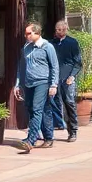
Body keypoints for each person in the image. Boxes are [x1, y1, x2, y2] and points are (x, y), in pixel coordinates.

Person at [12, 23, 58, 153]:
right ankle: (48, 138)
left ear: (36, 33)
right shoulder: (26, 48)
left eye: (28, 33)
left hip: (43, 82)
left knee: (37, 109)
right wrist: (17, 84)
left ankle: (31, 140)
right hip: (29, 83)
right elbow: (20, 68)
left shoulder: (47, 47)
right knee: (37, 109)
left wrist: (53, 85)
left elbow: (54, 66)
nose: (26, 35)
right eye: (26, 33)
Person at [50, 20, 82, 142]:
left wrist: (72, 76)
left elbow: (78, 62)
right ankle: (56, 125)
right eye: (58, 30)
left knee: (69, 103)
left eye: (63, 30)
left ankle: (73, 130)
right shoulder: (51, 44)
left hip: (67, 78)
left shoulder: (72, 42)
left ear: (66, 29)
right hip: (54, 79)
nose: (61, 32)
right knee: (54, 103)